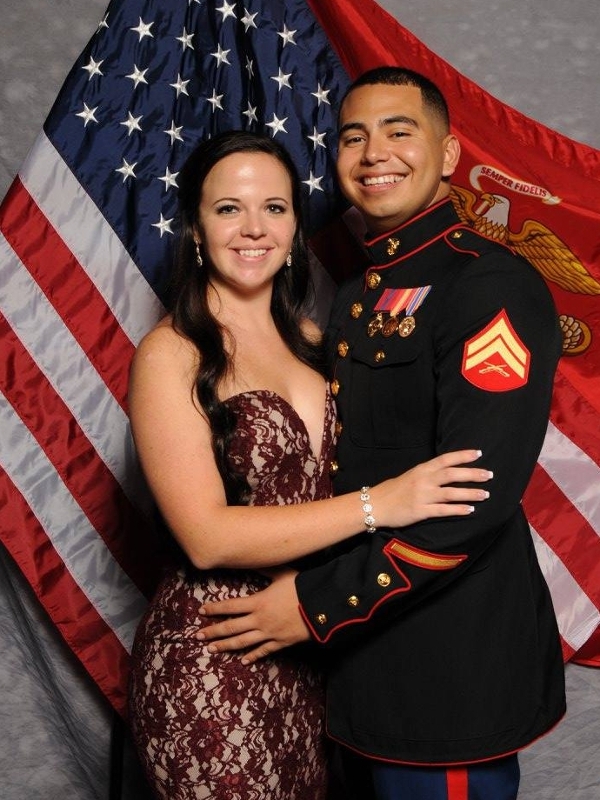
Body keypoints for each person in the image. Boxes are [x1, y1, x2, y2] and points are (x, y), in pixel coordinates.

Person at [196, 70, 567, 799]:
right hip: (361, 669)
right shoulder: (366, 289)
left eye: (401, 130)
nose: (375, 153)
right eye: (354, 136)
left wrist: (313, 604)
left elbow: (472, 503)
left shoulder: (487, 286)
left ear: (450, 152)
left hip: (446, 672)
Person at [127, 129, 492, 799]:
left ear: (295, 228)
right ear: (197, 231)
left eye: (274, 207)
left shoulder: (321, 342)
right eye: (228, 208)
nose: (253, 228)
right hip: (217, 659)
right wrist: (384, 503)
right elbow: (206, 539)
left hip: (317, 650)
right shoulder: (172, 355)